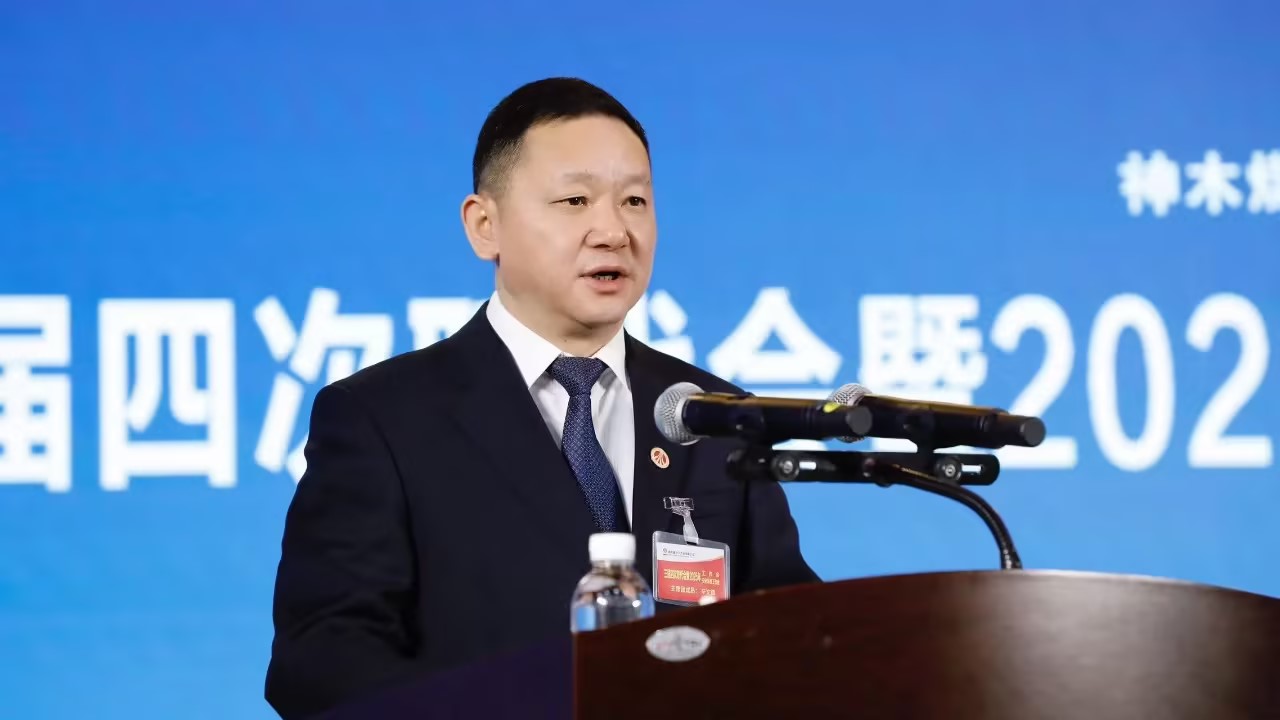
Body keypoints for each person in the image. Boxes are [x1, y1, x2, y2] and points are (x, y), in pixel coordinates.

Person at [264, 77, 820, 719]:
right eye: (575, 200)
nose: (613, 231)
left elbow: (792, 628)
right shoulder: (384, 419)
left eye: (635, 200)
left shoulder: (708, 412)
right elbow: (323, 657)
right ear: (485, 226)